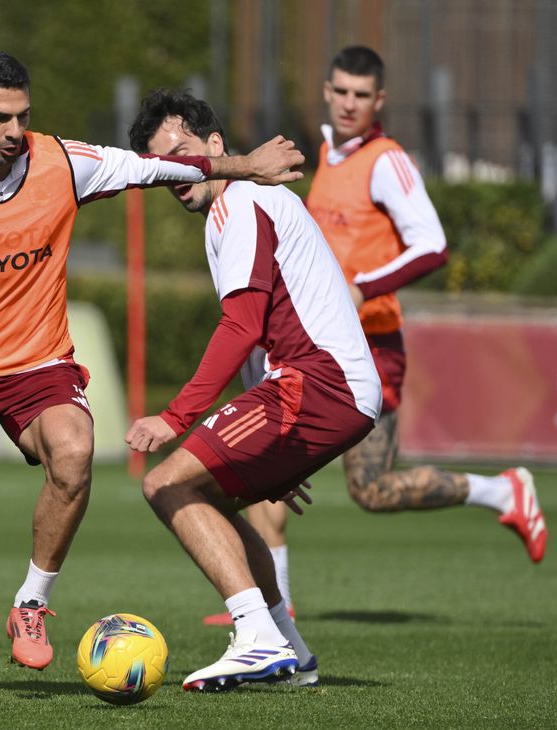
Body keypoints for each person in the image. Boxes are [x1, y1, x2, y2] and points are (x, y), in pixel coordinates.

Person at [0, 50, 306, 693]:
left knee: (74, 452)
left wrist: (245, 165)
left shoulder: (62, 162)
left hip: (35, 364)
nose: (13, 130)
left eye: (23, 115)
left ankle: (30, 603)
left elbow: (155, 166)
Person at [203, 45, 549, 628]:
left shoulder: (385, 160)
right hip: (313, 352)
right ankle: (272, 608)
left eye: (361, 95)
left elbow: (432, 245)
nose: (349, 103)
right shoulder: (327, 157)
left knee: (372, 488)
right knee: (263, 466)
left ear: (379, 101)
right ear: (326, 91)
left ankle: (502, 492)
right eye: (340, 91)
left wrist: (362, 287)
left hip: (369, 348)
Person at [126, 88, 381, 692]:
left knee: (164, 481)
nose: (177, 173)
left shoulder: (239, 202)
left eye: (184, 153)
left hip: (317, 383)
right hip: (322, 388)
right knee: (208, 497)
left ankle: (257, 637)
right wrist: (271, 454)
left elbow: (240, 327)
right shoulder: (238, 208)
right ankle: (290, 654)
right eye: (165, 166)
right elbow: (259, 333)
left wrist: (175, 416)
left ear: (216, 147)